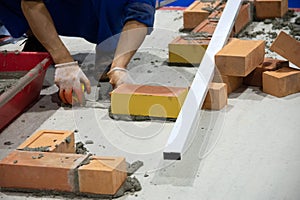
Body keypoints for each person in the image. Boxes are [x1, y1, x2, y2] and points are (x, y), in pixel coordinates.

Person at [0, 0, 156, 105]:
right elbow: (31, 3)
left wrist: (119, 66)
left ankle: (109, 48)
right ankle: (41, 39)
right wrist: (64, 62)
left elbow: (140, 12)